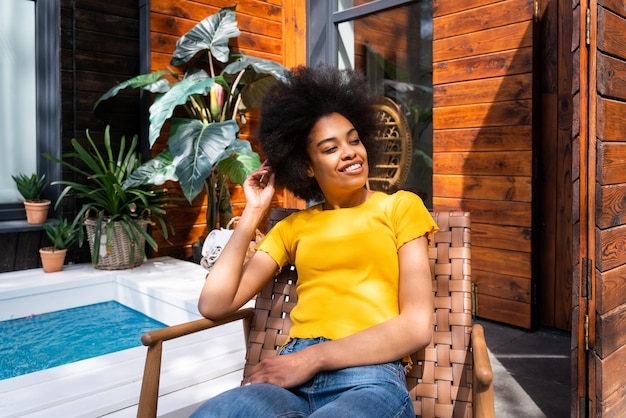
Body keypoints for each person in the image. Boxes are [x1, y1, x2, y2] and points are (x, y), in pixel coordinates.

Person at [191, 65, 439, 417]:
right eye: (330, 148)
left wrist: (313, 358)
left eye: (354, 140)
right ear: (307, 167)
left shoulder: (400, 207)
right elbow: (214, 304)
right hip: (291, 377)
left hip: (368, 376)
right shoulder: (294, 227)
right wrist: (252, 213)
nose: (351, 152)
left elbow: (415, 327)